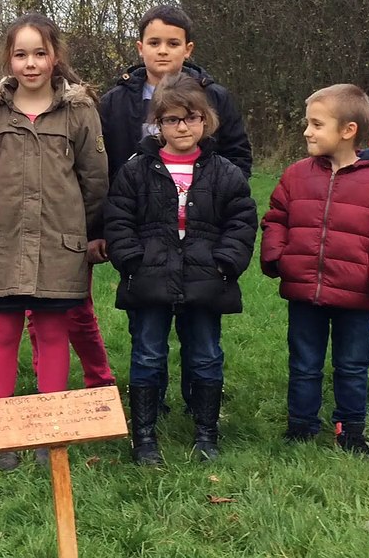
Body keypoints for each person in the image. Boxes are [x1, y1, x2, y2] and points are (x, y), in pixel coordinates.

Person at [0, 13, 109, 471]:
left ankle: (50, 431)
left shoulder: (79, 110)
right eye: (21, 54)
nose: (30, 63)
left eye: (40, 53)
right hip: (2, 242)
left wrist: (69, 225)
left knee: (51, 332)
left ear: (55, 57)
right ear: (8, 58)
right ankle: (4, 434)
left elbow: (94, 180)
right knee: (3, 331)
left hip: (59, 244)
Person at [97, 4, 253, 414]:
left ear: (188, 48)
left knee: (200, 328)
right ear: (140, 47)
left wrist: (211, 194)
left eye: (172, 43)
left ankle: (199, 400)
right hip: (144, 233)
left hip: (200, 230)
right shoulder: (116, 101)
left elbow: (238, 154)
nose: (162, 51)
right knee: (146, 329)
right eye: (154, 43)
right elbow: (102, 166)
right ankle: (152, 403)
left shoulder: (214, 96)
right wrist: (115, 237)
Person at [104, 75, 256, 465]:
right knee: (147, 354)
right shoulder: (137, 170)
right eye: (171, 120)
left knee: (205, 354)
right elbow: (119, 220)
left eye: (190, 118)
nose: (182, 127)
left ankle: (206, 434)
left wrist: (225, 263)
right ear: (158, 124)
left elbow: (241, 221)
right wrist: (133, 261)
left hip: (206, 278)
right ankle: (145, 437)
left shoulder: (224, 172)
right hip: (150, 277)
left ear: (206, 121)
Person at [260, 84, 369, 454]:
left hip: (356, 295)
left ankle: (351, 431)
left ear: (348, 131)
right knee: (304, 362)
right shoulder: (297, 175)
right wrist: (277, 255)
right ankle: (301, 427)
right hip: (304, 291)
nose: (307, 132)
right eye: (307, 124)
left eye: (316, 124)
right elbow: (276, 217)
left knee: (352, 366)